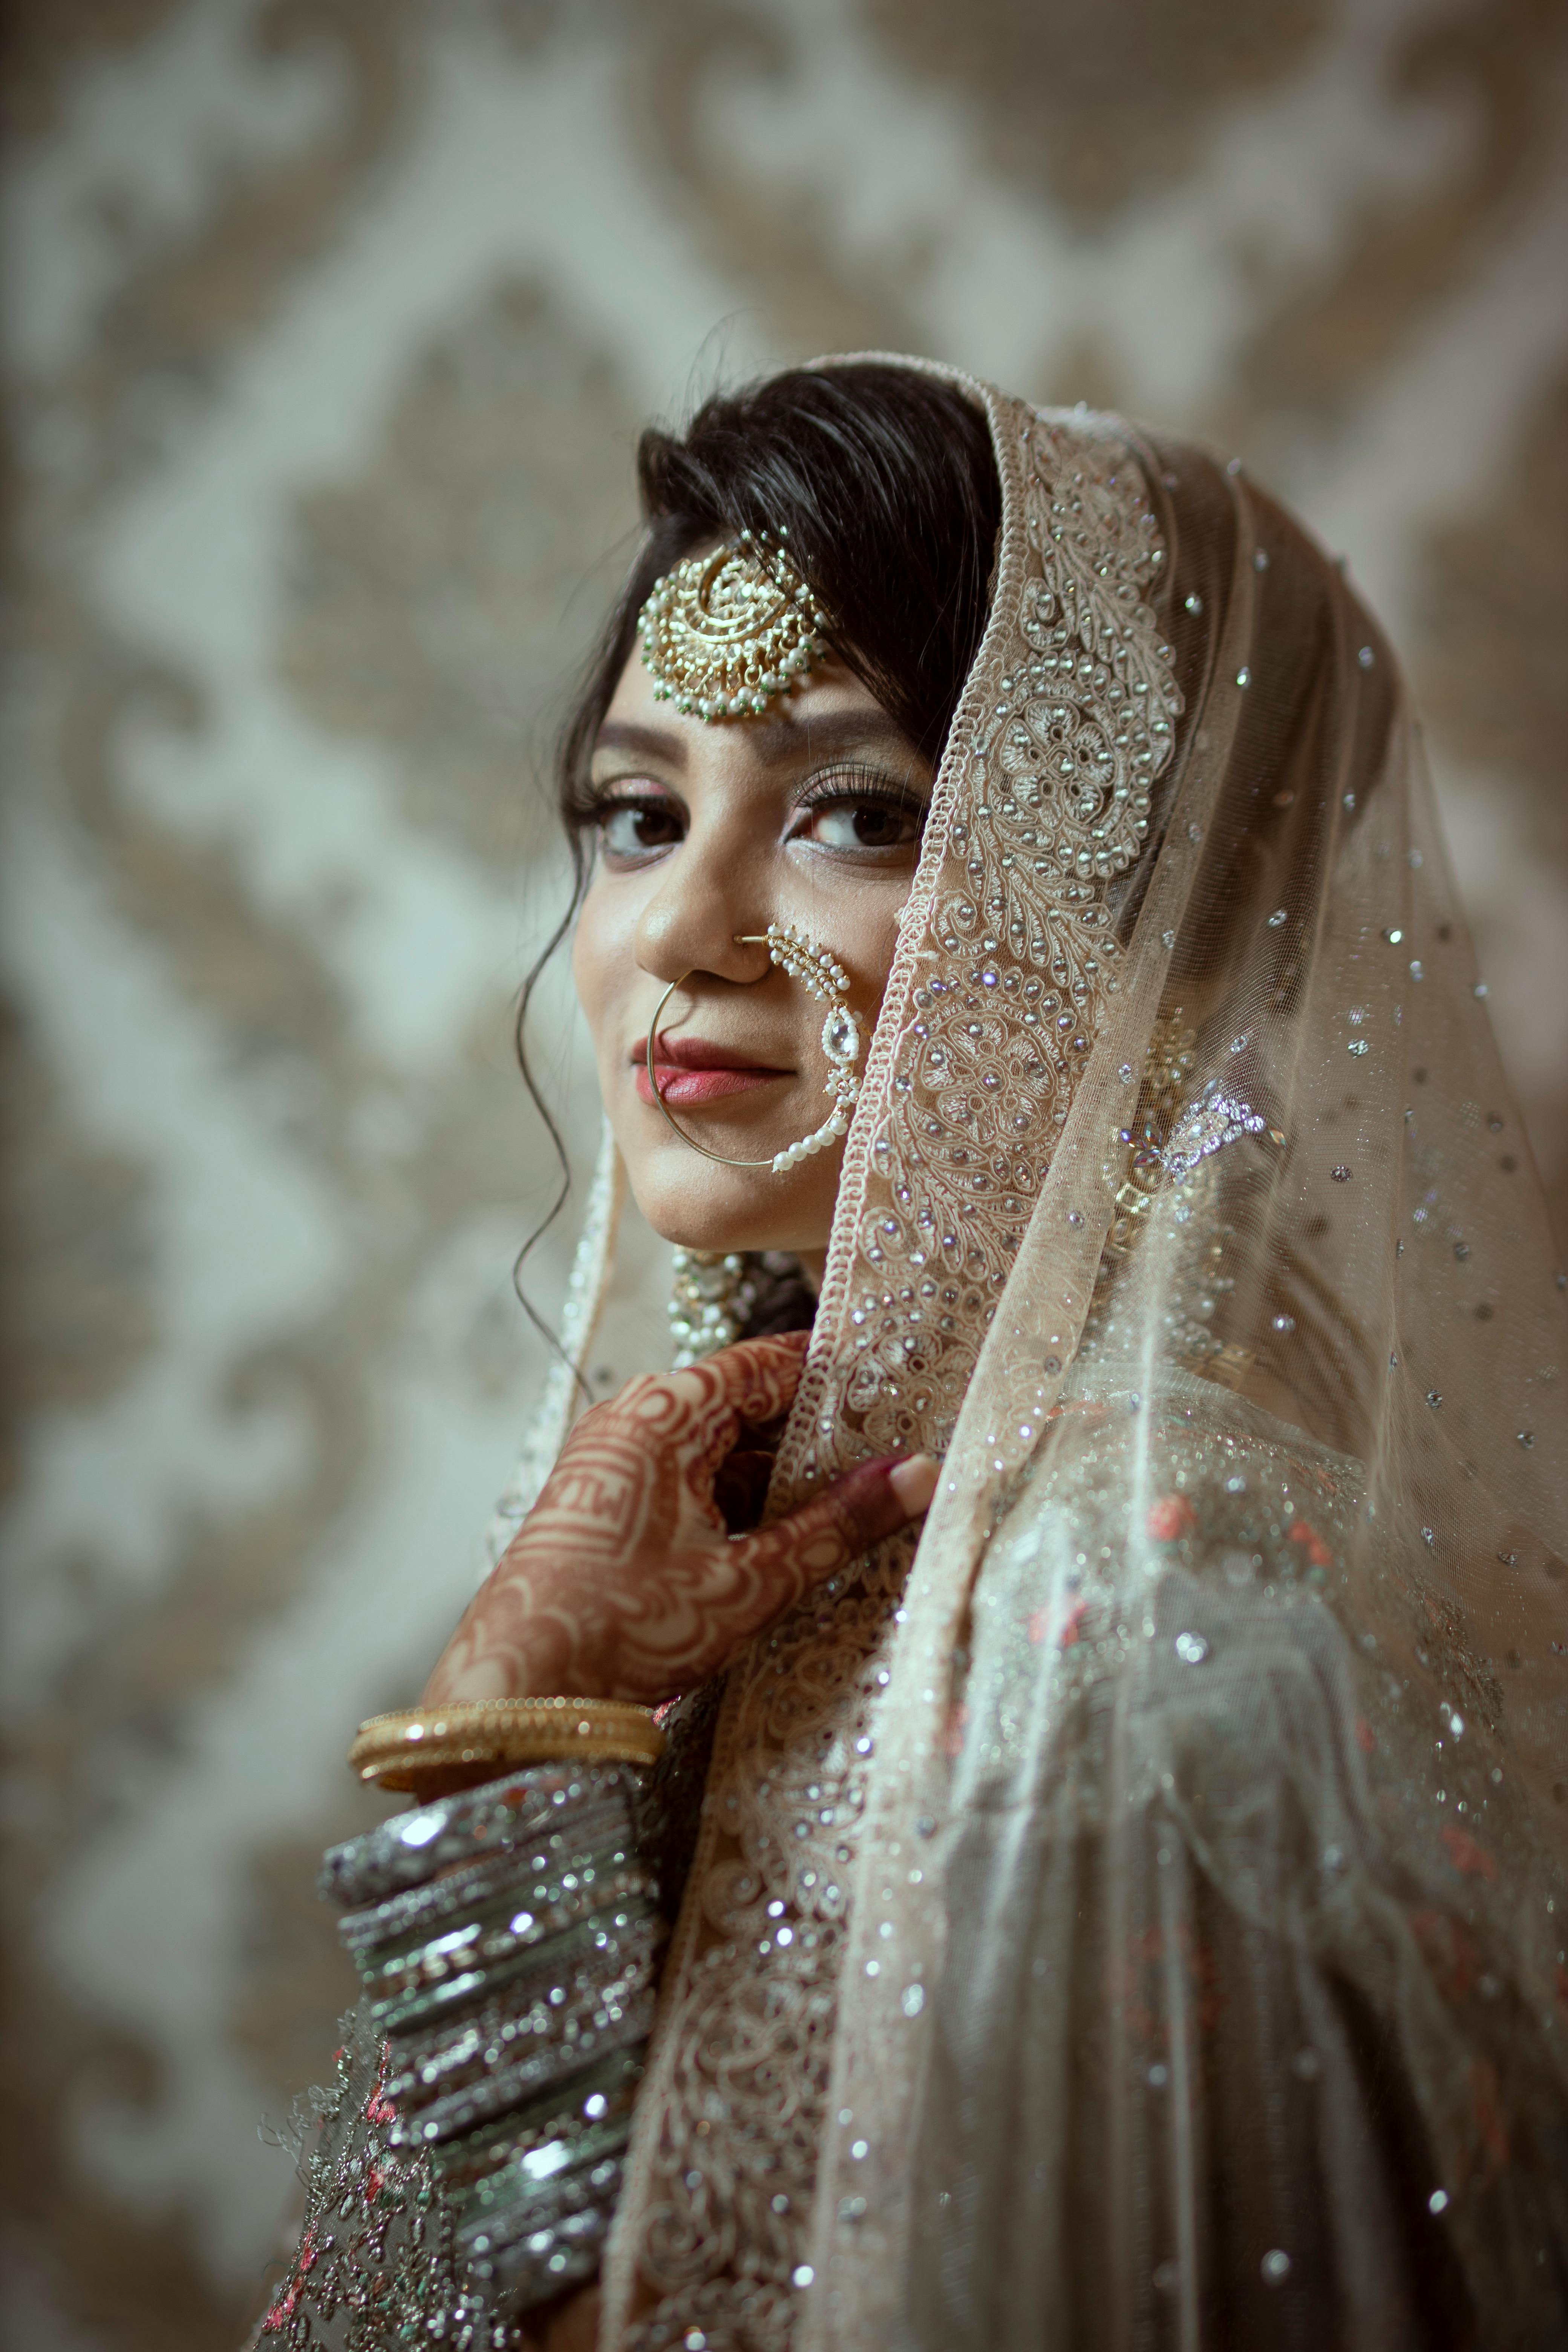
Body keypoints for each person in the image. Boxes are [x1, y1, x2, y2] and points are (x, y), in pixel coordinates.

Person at [254, 359, 1568, 2352]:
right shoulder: (747, 1529)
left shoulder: (1145, 1609)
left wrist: (500, 1779)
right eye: (635, 811)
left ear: (1168, 933)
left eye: (858, 813)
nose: (681, 926)